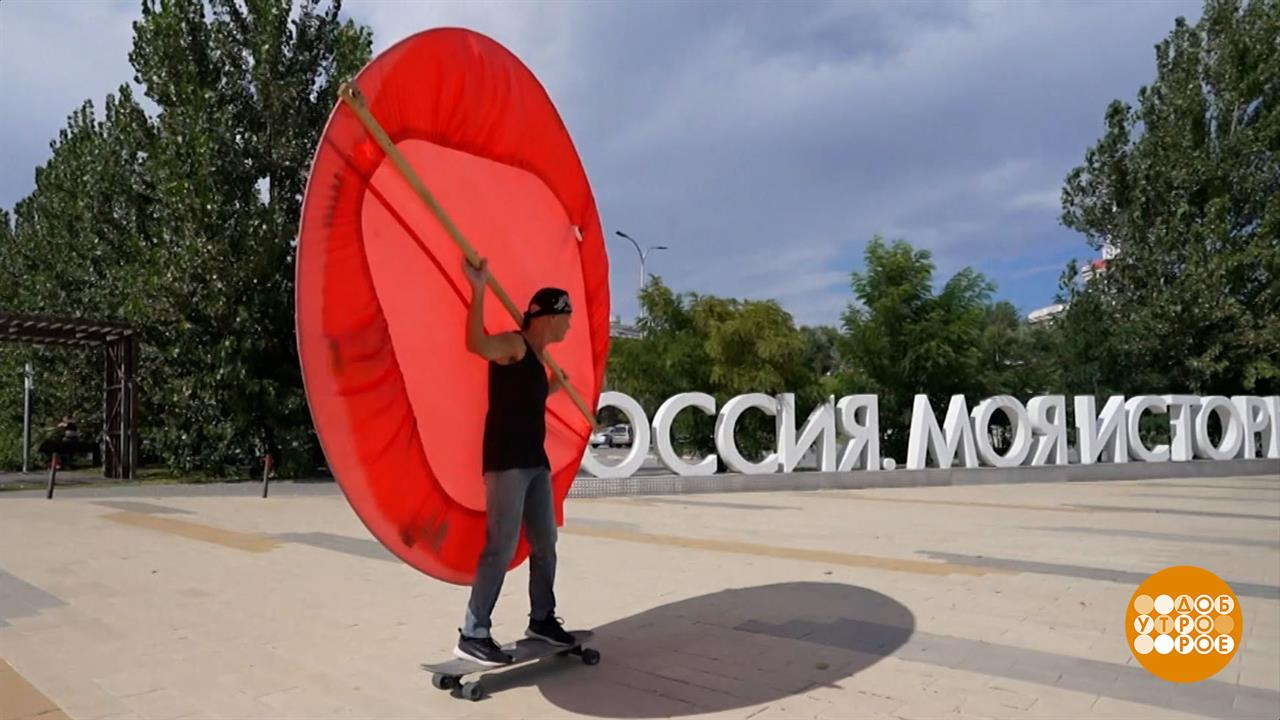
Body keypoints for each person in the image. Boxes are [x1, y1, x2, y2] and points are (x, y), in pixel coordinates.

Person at [455, 257, 576, 666]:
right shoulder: (514, 344)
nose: (569, 326)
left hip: (536, 462)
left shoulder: (538, 361)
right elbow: (476, 345)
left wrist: (554, 387)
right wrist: (478, 289)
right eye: (567, 318)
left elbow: (526, 400)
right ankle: (473, 631)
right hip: (507, 462)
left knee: (546, 543)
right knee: (501, 546)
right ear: (550, 317)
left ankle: (542, 619)